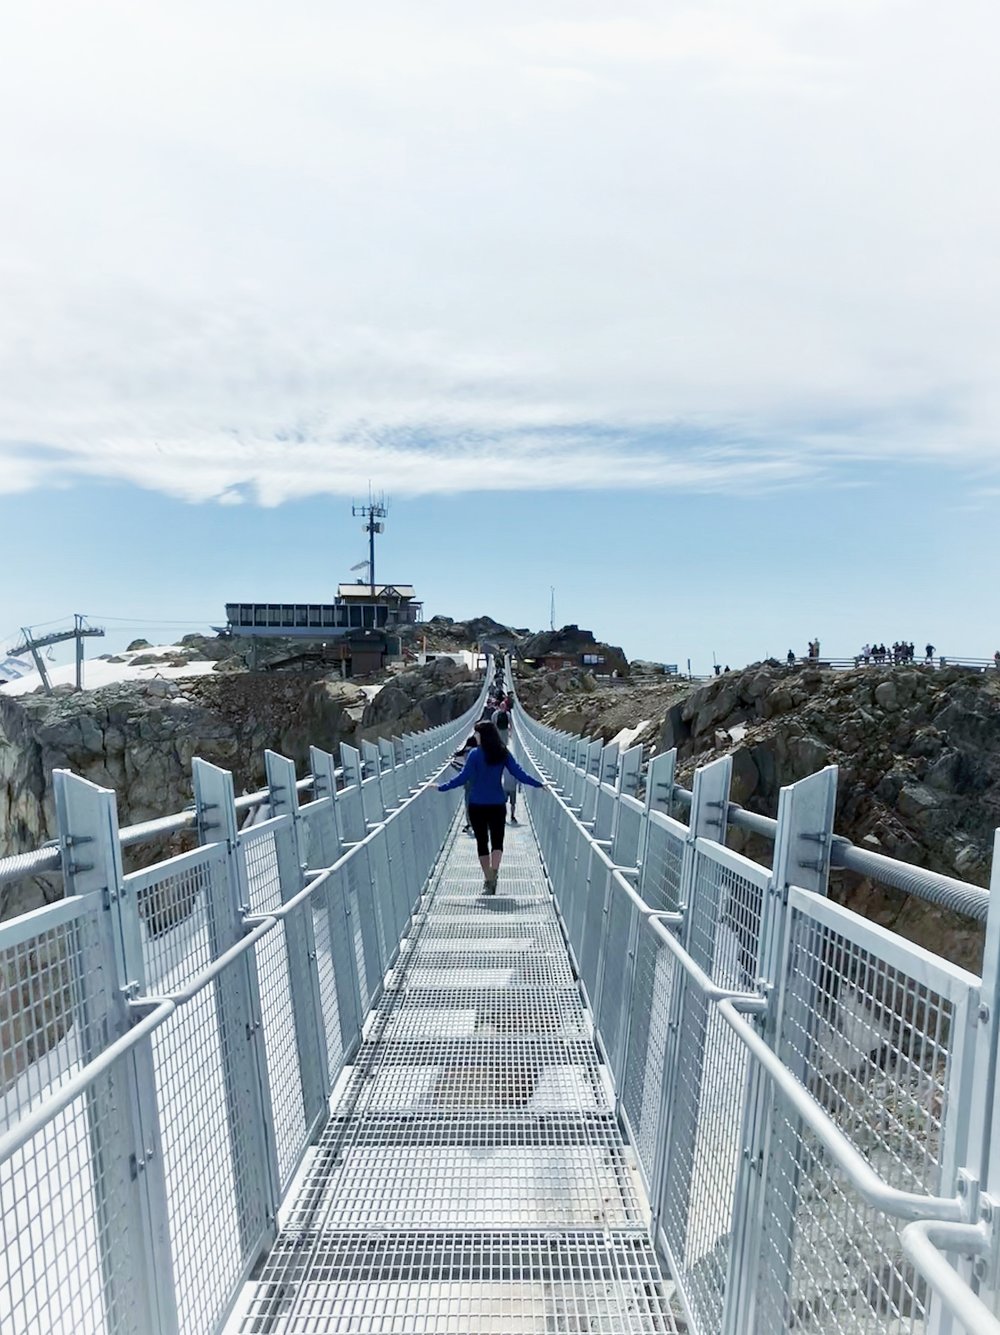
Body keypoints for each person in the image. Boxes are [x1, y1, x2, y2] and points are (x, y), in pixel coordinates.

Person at [438, 721, 543, 893]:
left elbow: (462, 778)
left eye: (477, 734)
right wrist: (538, 784)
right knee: (497, 841)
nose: (474, 737)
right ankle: (494, 873)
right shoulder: (502, 753)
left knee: (482, 842)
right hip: (497, 804)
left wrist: (442, 787)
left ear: (483, 735)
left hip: (477, 805)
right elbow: (519, 773)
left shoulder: (473, 755)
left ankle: (488, 879)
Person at [450, 734, 479, 833]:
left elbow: (464, 769)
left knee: (468, 804)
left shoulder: (466, 752)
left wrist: (454, 764)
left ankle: (469, 824)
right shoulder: (478, 752)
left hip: (468, 783)